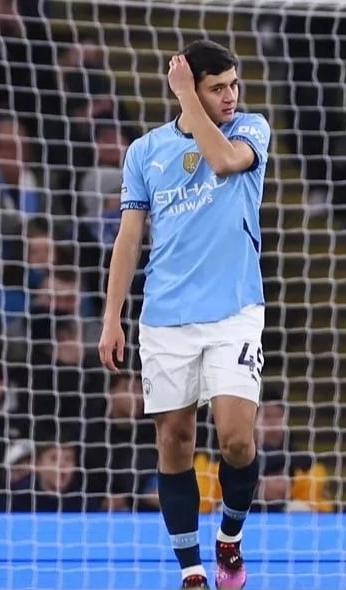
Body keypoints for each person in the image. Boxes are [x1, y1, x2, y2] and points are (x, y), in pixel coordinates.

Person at [98, 39, 271, 590]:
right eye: (217, 87)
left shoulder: (250, 130)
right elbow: (128, 240)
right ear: (192, 88)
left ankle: (231, 537)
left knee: (238, 439)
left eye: (233, 84)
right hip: (166, 316)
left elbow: (220, 160)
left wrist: (186, 98)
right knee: (174, 440)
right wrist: (111, 317)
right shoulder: (145, 152)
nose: (230, 95)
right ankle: (193, 570)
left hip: (234, 311)